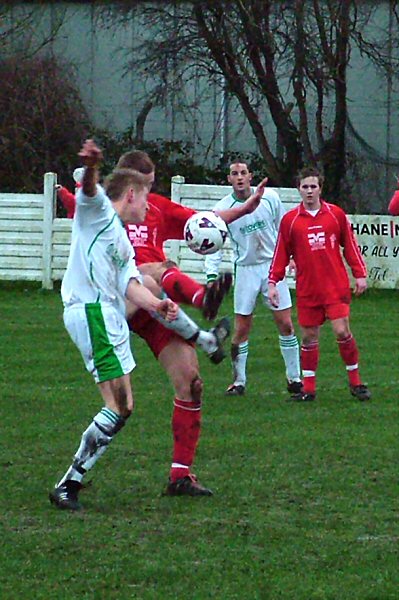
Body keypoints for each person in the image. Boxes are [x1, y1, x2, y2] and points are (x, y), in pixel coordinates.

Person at [49, 140, 178, 510]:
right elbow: (89, 190)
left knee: (123, 407)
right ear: (132, 193)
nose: (149, 207)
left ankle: (71, 481)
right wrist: (91, 166)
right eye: (146, 199)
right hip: (91, 312)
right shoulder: (98, 211)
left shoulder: (121, 238)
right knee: (120, 405)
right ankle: (68, 483)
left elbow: (130, 284)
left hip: (105, 315)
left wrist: (158, 305)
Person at [268, 166, 371, 402]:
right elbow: (280, 254)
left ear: (320, 189)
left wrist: (360, 273)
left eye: (313, 186)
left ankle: (356, 382)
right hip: (308, 290)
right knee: (308, 338)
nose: (309, 191)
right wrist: (273, 282)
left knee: (342, 331)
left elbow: (350, 246)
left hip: (335, 287)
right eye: (305, 187)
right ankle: (309, 389)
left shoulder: (336, 214)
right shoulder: (290, 221)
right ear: (298, 190)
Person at [204, 161, 302, 399]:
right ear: (229, 179)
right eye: (234, 174)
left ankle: (295, 378)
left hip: (272, 266)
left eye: (243, 173)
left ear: (251, 177)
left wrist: (290, 257)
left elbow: (283, 228)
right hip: (246, 269)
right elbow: (215, 242)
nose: (239, 177)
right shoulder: (223, 208)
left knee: (286, 324)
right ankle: (238, 381)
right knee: (241, 329)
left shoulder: (270, 198)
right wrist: (211, 274)